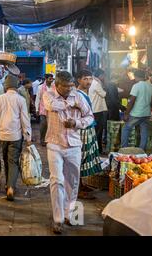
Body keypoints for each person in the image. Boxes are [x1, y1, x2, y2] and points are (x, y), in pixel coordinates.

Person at [43, 71, 94, 234]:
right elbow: (52, 106)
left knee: (72, 182)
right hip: (54, 143)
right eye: (66, 87)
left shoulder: (78, 96)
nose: (70, 90)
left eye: (72, 86)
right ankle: (57, 219)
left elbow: (90, 117)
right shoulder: (48, 94)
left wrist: (76, 122)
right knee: (56, 180)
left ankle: (69, 214)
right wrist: (70, 104)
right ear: (57, 85)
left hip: (74, 145)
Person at [0, 74, 32, 201]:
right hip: (16, 136)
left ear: (5, 86)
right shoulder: (20, 100)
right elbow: (25, 120)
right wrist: (28, 137)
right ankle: (11, 186)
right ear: (16, 86)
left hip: (2, 135)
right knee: (13, 161)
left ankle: (8, 184)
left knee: (6, 159)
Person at [76, 70, 102, 200]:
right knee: (82, 157)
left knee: (85, 157)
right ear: (79, 80)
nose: (88, 82)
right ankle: (78, 188)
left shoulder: (85, 93)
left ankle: (81, 184)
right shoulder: (78, 94)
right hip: (83, 130)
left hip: (88, 128)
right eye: (85, 79)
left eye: (90, 79)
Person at [121, 69, 152, 150]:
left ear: (136, 77)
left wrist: (126, 114)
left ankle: (124, 149)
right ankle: (142, 151)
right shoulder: (151, 86)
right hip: (146, 113)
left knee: (126, 128)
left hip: (137, 113)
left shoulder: (136, 86)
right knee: (144, 131)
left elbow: (131, 100)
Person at [89, 69, 108, 153]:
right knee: (98, 131)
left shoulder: (90, 83)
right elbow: (103, 94)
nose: (104, 77)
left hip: (92, 109)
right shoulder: (96, 83)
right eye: (103, 75)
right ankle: (98, 150)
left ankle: (95, 149)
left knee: (94, 131)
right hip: (97, 110)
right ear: (100, 75)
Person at [36, 74, 55, 146]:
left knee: (50, 125)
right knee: (43, 124)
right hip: (43, 109)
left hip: (52, 109)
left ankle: (48, 139)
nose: (51, 80)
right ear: (46, 79)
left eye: (52, 79)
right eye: (50, 79)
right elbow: (38, 98)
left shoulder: (54, 87)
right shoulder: (40, 87)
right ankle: (42, 139)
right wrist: (37, 109)